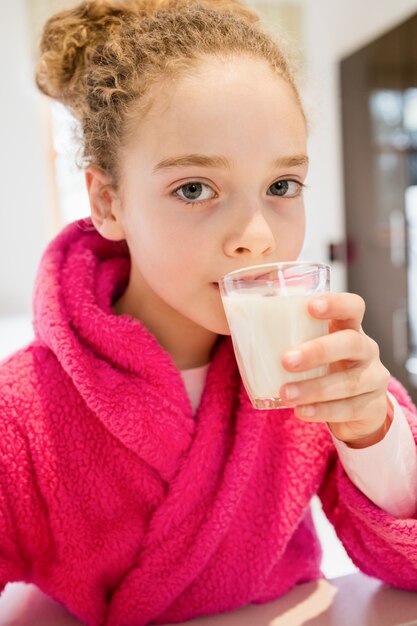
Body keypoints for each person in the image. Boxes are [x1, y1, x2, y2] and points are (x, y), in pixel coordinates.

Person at [1, 0, 417, 624]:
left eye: (282, 187)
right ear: (108, 202)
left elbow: (406, 566)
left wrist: (370, 433)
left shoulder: (312, 367)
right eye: (194, 188)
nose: (256, 236)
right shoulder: (24, 411)